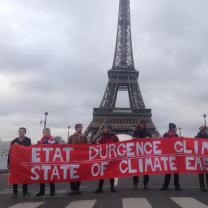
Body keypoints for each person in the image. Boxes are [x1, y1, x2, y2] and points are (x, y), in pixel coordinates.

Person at [94, 125, 119, 193]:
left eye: (105, 128)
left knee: (111, 173)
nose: (104, 129)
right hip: (104, 158)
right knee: (102, 173)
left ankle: (112, 187)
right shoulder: (102, 137)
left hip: (111, 157)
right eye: (104, 128)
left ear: (109, 129)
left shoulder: (114, 137)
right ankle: (100, 188)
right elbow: (99, 146)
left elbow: (118, 145)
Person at [7, 127, 31, 198]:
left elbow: (29, 151)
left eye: (22, 131)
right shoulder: (14, 141)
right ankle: (15, 193)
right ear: (18, 132)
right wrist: (8, 163)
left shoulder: (28, 140)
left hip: (24, 162)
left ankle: (25, 192)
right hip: (15, 163)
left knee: (25, 177)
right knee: (15, 177)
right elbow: (10, 152)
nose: (21, 132)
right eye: (20, 131)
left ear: (25, 132)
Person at [160, 123, 182, 191]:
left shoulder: (175, 135)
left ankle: (176, 186)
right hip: (168, 155)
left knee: (176, 172)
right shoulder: (166, 135)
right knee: (168, 172)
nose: (175, 129)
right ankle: (166, 185)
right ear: (171, 128)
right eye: (175, 128)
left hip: (175, 156)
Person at [36, 128, 57, 197]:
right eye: (45, 132)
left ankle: (52, 191)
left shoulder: (54, 141)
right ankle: (42, 191)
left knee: (50, 177)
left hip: (51, 161)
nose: (46, 133)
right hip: (42, 161)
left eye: (48, 132)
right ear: (43, 133)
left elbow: (58, 149)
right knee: (42, 177)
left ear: (49, 133)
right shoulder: (40, 141)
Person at [67, 123, 87, 195]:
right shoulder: (71, 137)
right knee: (72, 174)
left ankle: (77, 188)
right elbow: (67, 147)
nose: (80, 128)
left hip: (80, 158)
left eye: (81, 127)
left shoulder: (84, 137)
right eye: (78, 127)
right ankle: (72, 189)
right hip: (73, 158)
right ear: (76, 129)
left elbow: (87, 147)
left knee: (79, 174)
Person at [132, 120, 151, 190]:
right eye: (141, 124)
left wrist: (149, 138)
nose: (142, 125)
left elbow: (151, 139)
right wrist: (133, 138)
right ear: (139, 124)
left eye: (144, 124)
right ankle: (135, 183)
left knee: (145, 169)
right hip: (137, 152)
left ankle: (145, 183)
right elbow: (132, 138)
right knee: (136, 168)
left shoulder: (148, 131)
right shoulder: (136, 130)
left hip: (145, 152)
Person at [195, 125, 208, 192]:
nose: (206, 130)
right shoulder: (198, 136)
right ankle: (202, 186)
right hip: (200, 157)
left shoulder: (207, 135)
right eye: (205, 129)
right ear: (202, 130)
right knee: (201, 172)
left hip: (206, 156)